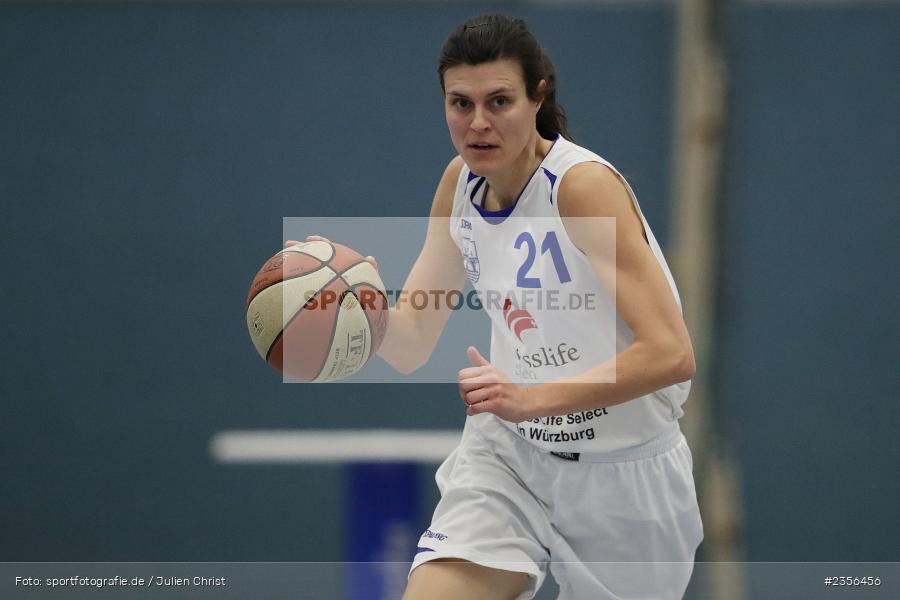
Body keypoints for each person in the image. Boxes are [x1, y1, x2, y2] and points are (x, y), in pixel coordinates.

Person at [295, 13, 702, 600]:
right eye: (460, 104)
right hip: (510, 456)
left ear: (539, 97)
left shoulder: (582, 187)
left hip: (626, 473)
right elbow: (409, 344)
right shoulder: (459, 183)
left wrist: (529, 399)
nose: (478, 123)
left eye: (499, 101)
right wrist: (345, 296)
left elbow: (671, 354)